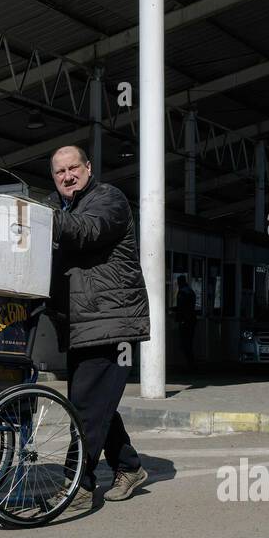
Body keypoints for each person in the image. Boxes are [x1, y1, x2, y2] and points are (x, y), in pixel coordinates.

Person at [48, 144, 150, 512]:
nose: (67, 176)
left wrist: (40, 218)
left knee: (86, 408)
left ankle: (78, 484)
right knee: (92, 403)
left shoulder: (108, 199)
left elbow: (88, 231)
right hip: (81, 326)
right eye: (60, 172)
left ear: (88, 168)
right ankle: (129, 467)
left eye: (73, 168)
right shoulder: (61, 209)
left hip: (113, 325)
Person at [175, 274, 198, 368]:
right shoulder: (190, 291)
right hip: (191, 319)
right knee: (189, 342)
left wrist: (180, 319)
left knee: (185, 343)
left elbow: (182, 308)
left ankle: (189, 364)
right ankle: (190, 363)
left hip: (186, 320)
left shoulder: (182, 292)